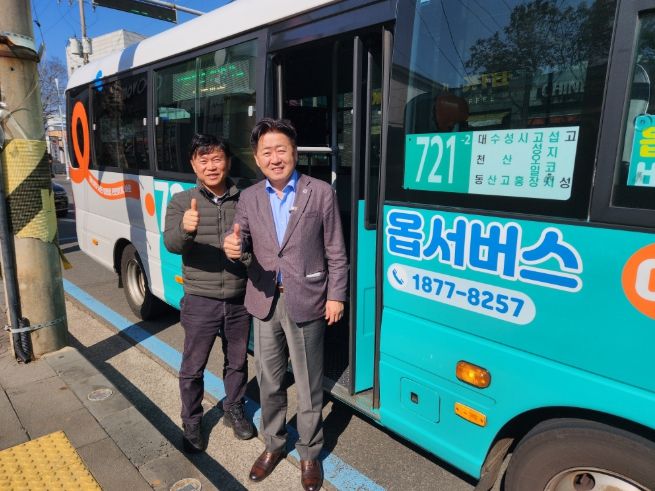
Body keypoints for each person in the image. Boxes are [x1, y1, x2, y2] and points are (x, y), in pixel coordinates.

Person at [224, 118, 348, 491]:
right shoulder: (249, 197)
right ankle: (274, 444)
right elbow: (241, 239)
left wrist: (336, 294)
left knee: (309, 384)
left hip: (308, 297)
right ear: (257, 158)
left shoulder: (320, 192)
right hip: (264, 299)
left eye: (281, 150)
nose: (275, 158)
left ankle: (309, 453)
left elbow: (335, 249)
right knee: (269, 380)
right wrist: (233, 248)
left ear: (294, 153)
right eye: (267, 152)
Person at [164, 133, 254, 453]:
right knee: (193, 367)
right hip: (200, 298)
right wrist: (185, 229)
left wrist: (243, 252)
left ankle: (233, 408)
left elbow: (260, 249)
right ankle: (191, 421)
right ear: (194, 165)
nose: (211, 166)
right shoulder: (181, 202)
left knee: (237, 361)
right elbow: (171, 244)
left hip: (239, 297)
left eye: (217, 159)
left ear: (227, 162)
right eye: (204, 160)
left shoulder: (246, 200)